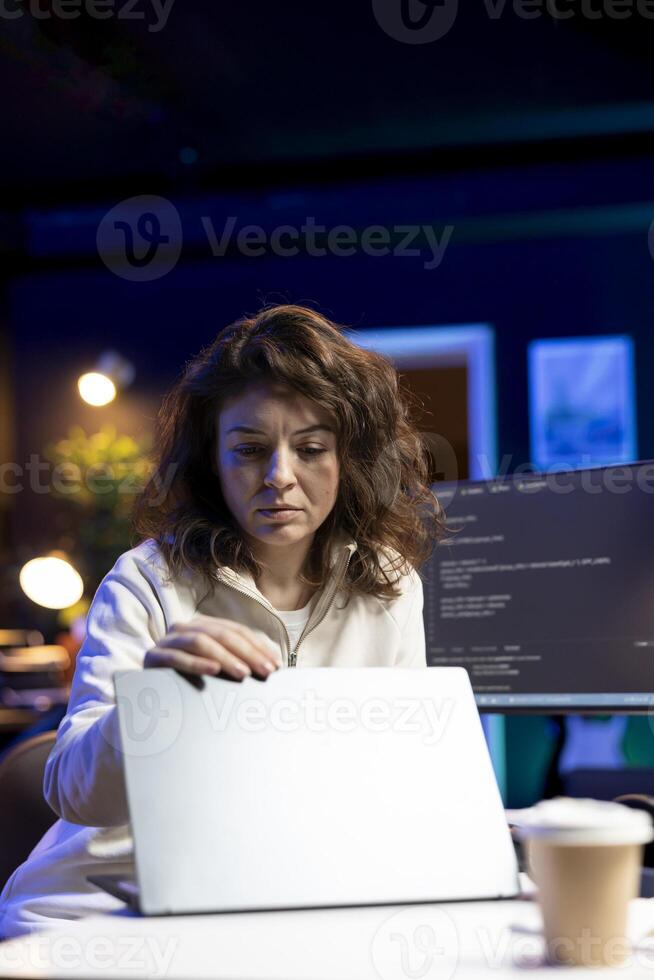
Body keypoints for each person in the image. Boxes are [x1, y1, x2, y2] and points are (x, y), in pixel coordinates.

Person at [0, 303, 444, 939]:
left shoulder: (389, 584)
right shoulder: (148, 579)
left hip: (288, 894)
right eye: (250, 450)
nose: (279, 478)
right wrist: (152, 702)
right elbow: (74, 791)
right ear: (213, 462)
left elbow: (403, 777)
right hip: (105, 905)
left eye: (312, 448)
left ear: (350, 458)